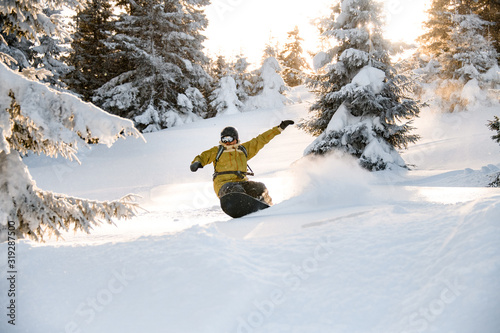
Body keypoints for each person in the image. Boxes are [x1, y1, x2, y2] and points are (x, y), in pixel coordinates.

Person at [190, 120, 294, 205]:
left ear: (236, 139)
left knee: (259, 187)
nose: (227, 142)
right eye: (224, 139)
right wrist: (197, 163)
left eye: (229, 138)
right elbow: (203, 156)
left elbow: (261, 139)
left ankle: (266, 206)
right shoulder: (217, 151)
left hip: (241, 181)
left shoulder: (243, 150)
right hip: (223, 185)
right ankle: (239, 206)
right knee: (236, 189)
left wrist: (279, 128)